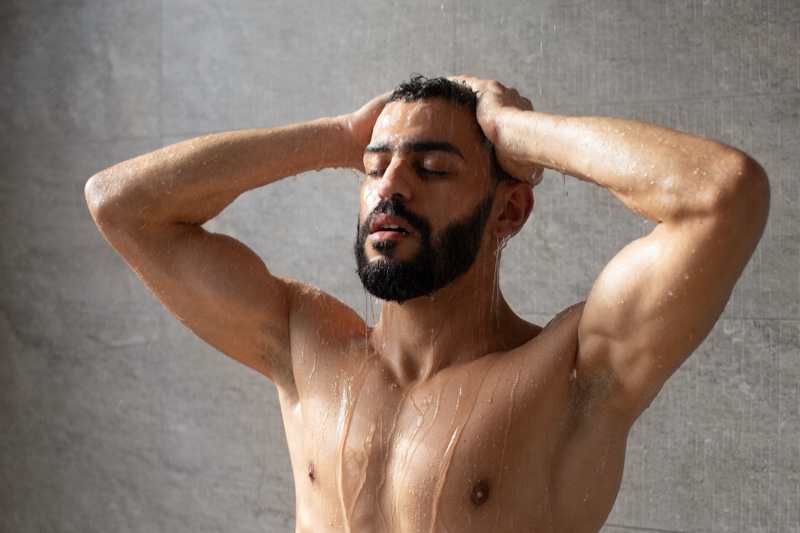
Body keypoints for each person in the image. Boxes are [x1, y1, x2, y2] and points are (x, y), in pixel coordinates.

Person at [85, 75, 769, 532]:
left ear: (509, 211)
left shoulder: (567, 373)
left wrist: (516, 134)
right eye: (374, 169)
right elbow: (121, 205)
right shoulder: (303, 344)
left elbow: (722, 193)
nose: (390, 189)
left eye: (434, 168)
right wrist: (337, 137)